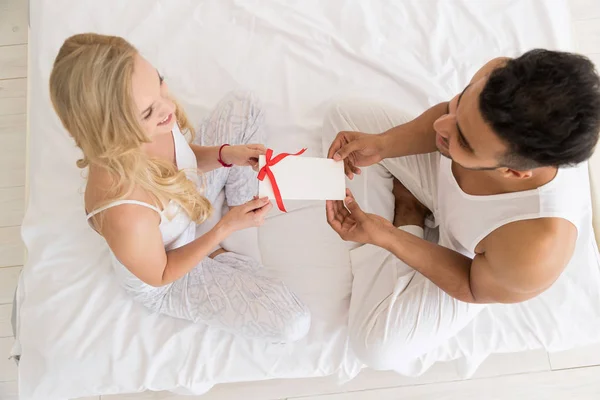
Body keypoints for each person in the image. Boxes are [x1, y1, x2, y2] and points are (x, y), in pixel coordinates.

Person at [324, 50, 600, 369]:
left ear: (513, 172)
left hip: (463, 256)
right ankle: (415, 195)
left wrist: (388, 237)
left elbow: (470, 284)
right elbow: (441, 118)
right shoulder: (498, 75)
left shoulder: (536, 249)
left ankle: (409, 213)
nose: (441, 124)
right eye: (459, 104)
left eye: (465, 140)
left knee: (375, 348)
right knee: (343, 120)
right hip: (440, 173)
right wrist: (384, 144)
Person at [49, 33, 310, 342]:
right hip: (171, 272)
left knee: (245, 104)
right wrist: (223, 229)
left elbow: (180, 162)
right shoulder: (124, 211)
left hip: (186, 202)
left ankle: (242, 207)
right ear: (114, 129)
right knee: (292, 322)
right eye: (147, 111)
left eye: (159, 81)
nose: (168, 106)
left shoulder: (156, 116)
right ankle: (222, 252)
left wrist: (227, 155)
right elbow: (161, 275)